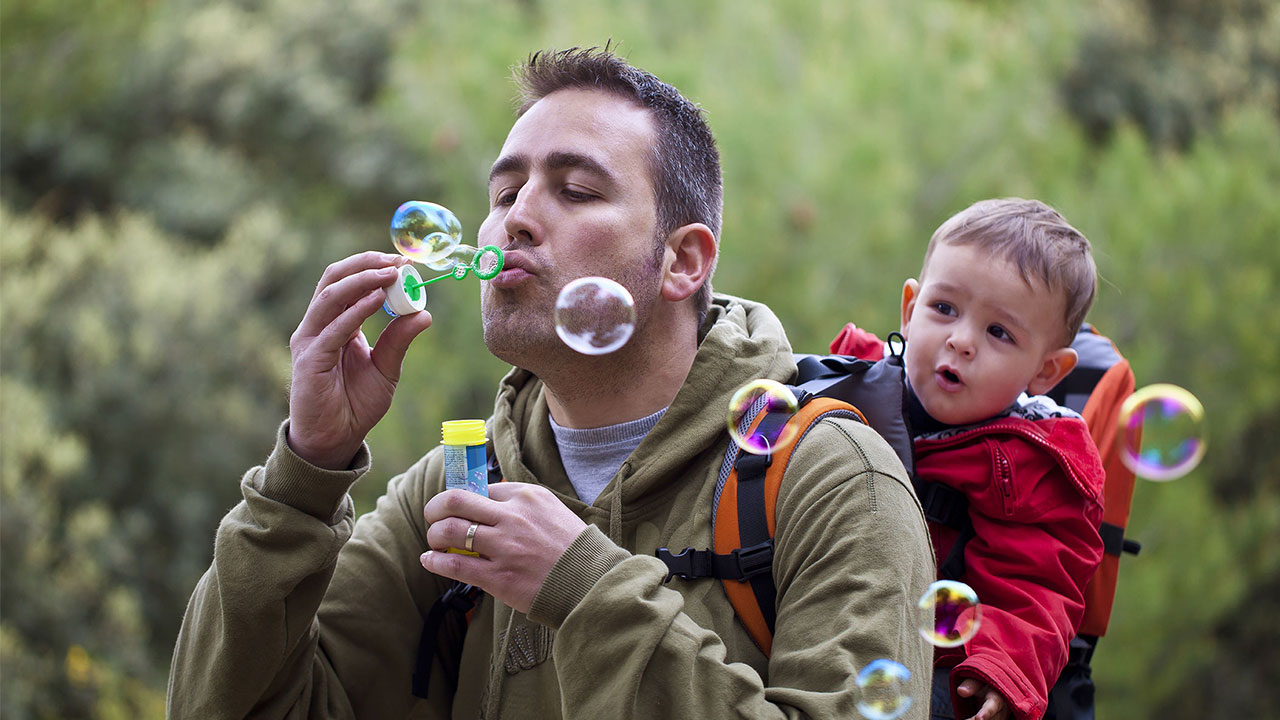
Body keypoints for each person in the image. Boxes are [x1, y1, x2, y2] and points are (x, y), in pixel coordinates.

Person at [168, 46, 934, 719]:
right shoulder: (455, 489)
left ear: (685, 261)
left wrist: (584, 587)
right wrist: (309, 470)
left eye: (575, 191)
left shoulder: (833, 481)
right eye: (504, 195)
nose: (514, 221)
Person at [830, 198, 1106, 720]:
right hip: (828, 608)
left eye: (998, 333)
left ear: (1046, 371)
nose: (960, 341)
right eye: (944, 309)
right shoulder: (848, 385)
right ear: (909, 310)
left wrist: (1001, 670)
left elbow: (1036, 590)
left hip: (937, 662)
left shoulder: (1034, 466)